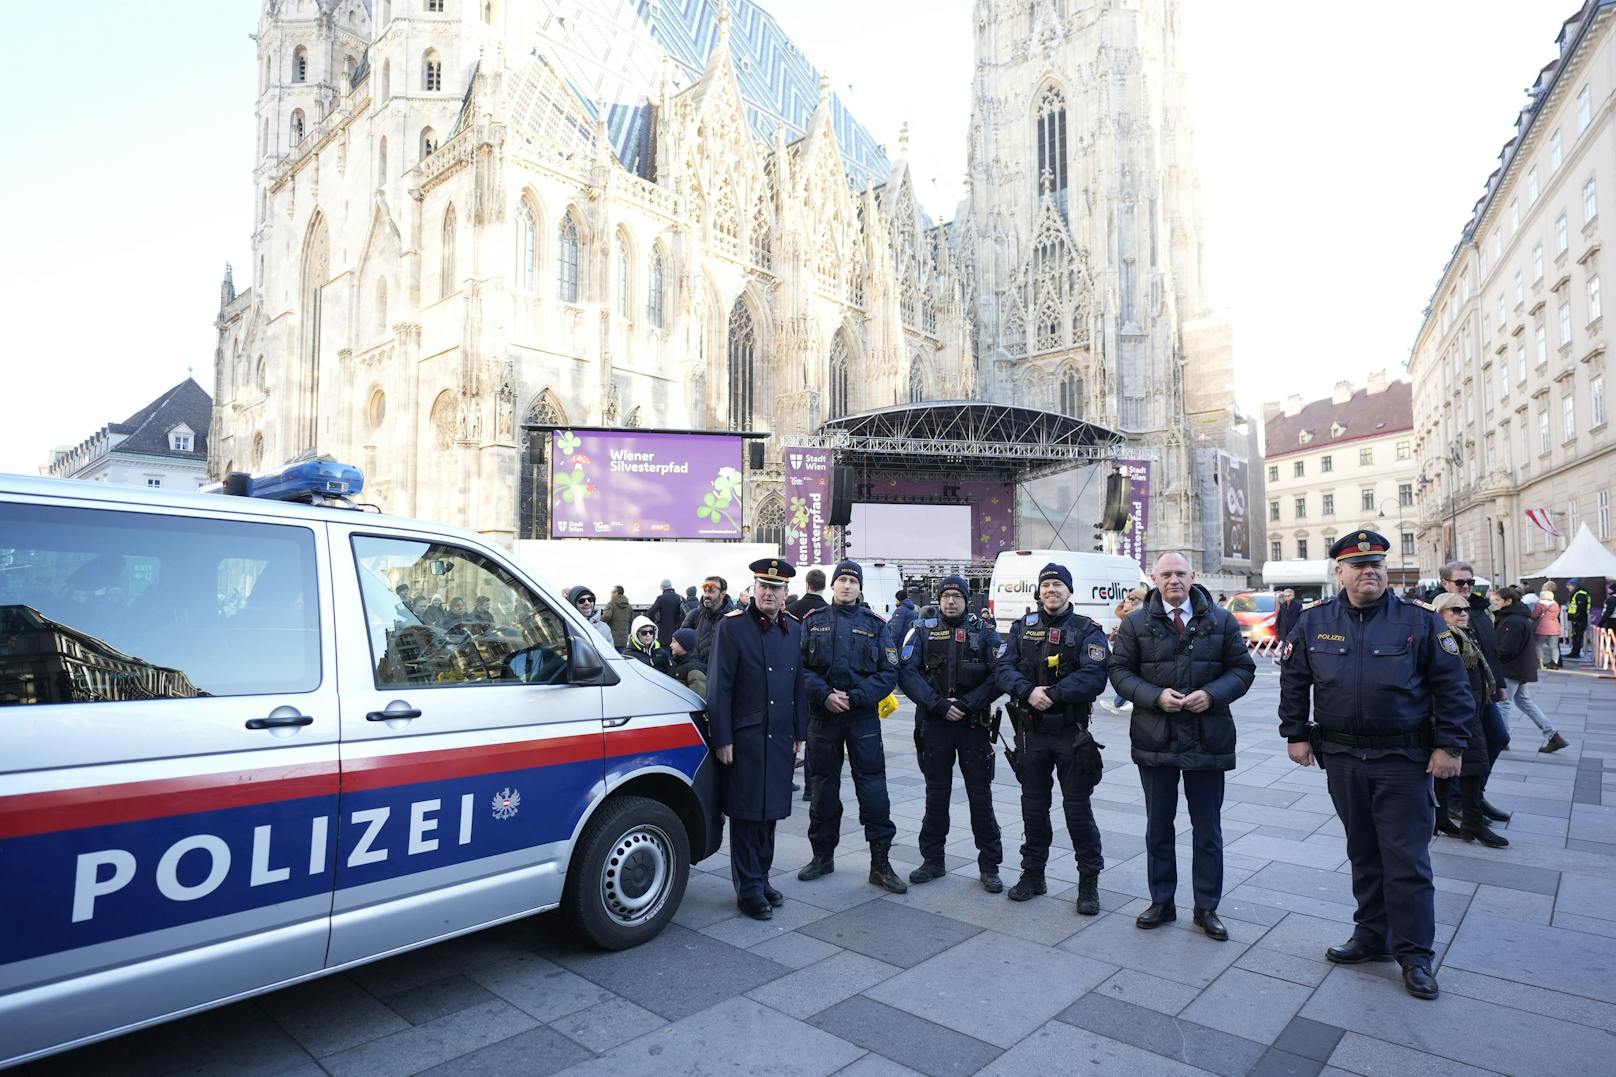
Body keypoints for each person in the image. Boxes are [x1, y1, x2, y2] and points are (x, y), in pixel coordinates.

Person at [1277, 530, 1472, 1000]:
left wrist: (1450, 746)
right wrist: (1296, 733)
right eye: (1359, 565)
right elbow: (1294, 678)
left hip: (1402, 759)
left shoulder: (1419, 621)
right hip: (1342, 757)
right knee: (1363, 851)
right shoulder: (1313, 621)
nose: (1370, 571)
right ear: (1339, 572)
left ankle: (1415, 955)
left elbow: (1452, 688)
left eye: (1377, 564)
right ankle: (1370, 936)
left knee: (1405, 859)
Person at [1110, 553, 1255, 940]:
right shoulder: (1136, 622)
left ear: (1192, 576)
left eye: (1180, 573)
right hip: (1155, 737)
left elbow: (1243, 669)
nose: (1173, 580)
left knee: (1207, 829)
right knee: (1159, 826)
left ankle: (1207, 907)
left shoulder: (1221, 620)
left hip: (1208, 737)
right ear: (1154, 580)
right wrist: (1155, 696)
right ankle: (1162, 900)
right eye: (1165, 574)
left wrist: (1212, 694)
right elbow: (1119, 672)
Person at [995, 562, 1111, 914]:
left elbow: (1095, 676)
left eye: (1058, 585)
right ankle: (1033, 875)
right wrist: (1029, 691)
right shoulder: (1021, 628)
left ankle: (1088, 882)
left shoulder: (1087, 630)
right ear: (1039, 591)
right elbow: (1003, 668)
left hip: (1069, 734)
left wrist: (1054, 694)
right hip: (1030, 732)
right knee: (1033, 807)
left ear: (1069, 591)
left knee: (1076, 809)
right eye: (1046, 585)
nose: (1051, 590)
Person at [707, 558, 808, 920]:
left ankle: (762, 878)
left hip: (780, 734)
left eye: (775, 588)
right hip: (746, 736)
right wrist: (722, 737)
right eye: (763, 585)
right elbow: (719, 684)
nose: (769, 592)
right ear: (754, 589)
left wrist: (801, 732)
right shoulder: (732, 627)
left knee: (772, 812)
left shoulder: (794, 628)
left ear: (785, 594)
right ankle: (748, 889)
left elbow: (798, 682)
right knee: (748, 813)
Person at [797, 560, 907, 894]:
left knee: (873, 789)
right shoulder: (812, 622)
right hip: (823, 717)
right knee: (822, 788)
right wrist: (825, 695)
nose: (846, 585)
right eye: (841, 580)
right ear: (832, 586)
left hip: (862, 718)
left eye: (852, 581)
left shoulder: (876, 625)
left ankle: (880, 864)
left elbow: (889, 673)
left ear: (860, 588)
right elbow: (798, 668)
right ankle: (822, 856)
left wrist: (858, 697)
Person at [897, 575, 1004, 892]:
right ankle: (932, 860)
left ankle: (989, 866)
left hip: (974, 726)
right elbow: (907, 673)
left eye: (957, 595)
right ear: (938, 599)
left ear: (967, 600)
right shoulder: (921, 631)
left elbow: (1001, 674)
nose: (951, 601)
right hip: (936, 725)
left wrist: (969, 704)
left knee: (980, 798)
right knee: (936, 795)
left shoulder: (985, 634)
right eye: (945, 596)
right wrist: (939, 704)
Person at [1429, 593, 1506, 848]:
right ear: (1441, 613)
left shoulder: (1464, 635)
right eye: (1455, 610)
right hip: (1460, 714)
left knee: (1458, 769)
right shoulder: (1447, 640)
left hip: (1471, 709)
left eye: (1465, 609)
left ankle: (1440, 817)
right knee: (1473, 767)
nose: (1463, 613)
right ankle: (1472, 822)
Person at [1437, 562, 1512, 821]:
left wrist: (1499, 684)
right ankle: (1458, 801)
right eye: (1461, 582)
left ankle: (1475, 795)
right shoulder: (1435, 611)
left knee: (1498, 738)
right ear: (1445, 583)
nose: (1467, 587)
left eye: (1470, 582)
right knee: (1466, 749)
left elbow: (1489, 651)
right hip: (1459, 695)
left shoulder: (1479, 610)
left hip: (1484, 690)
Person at [1493, 586, 1570, 753]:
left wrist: (1492, 656)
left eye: (1498, 600)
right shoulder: (1517, 617)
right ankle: (1553, 735)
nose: (1494, 603)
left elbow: (1507, 649)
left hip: (1511, 668)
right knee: (1525, 703)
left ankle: (1502, 740)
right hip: (1521, 667)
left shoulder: (1512, 620)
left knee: (1503, 703)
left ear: (1508, 601)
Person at [1107, 588, 1146, 709]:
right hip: (1126, 652)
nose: (1127, 601)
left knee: (1132, 675)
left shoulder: (1140, 616)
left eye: (1131, 599)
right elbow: (1118, 611)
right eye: (1128, 599)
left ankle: (1118, 703)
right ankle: (1119, 703)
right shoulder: (1127, 615)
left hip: (1137, 654)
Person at [682, 576, 735, 665]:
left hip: (721, 674)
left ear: (722, 594)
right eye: (705, 591)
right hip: (696, 672)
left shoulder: (733, 619)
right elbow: (680, 643)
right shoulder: (694, 615)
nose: (706, 595)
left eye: (711, 591)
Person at [670, 627, 707, 699]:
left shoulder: (693, 669)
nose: (670, 645)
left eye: (674, 641)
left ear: (685, 644)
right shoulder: (674, 663)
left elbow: (698, 697)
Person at [1534, 586, 1563, 670]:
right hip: (1555, 627)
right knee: (1554, 646)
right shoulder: (1555, 604)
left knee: (1538, 645)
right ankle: (1555, 663)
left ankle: (1540, 663)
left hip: (1542, 627)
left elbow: (1534, 615)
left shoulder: (1539, 604)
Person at [650, 579, 685, 647]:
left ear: (663, 588)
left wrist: (654, 621)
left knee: (665, 655)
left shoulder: (661, 598)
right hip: (678, 632)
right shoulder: (680, 598)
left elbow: (651, 611)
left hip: (664, 634)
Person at [599, 585, 633, 650]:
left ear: (616, 593)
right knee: (621, 657)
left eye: (612, 592)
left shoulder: (611, 604)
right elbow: (631, 621)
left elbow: (606, 616)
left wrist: (599, 620)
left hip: (612, 637)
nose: (611, 593)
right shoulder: (629, 606)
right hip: (624, 639)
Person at [1566, 579, 1592, 659]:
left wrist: (1576, 616)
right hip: (1577, 618)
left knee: (1577, 636)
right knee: (1575, 636)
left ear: (1574, 585)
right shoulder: (1578, 593)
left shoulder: (1580, 594)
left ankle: (1575, 652)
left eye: (1569, 585)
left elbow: (1581, 607)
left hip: (1579, 619)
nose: (1567, 587)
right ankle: (1574, 651)